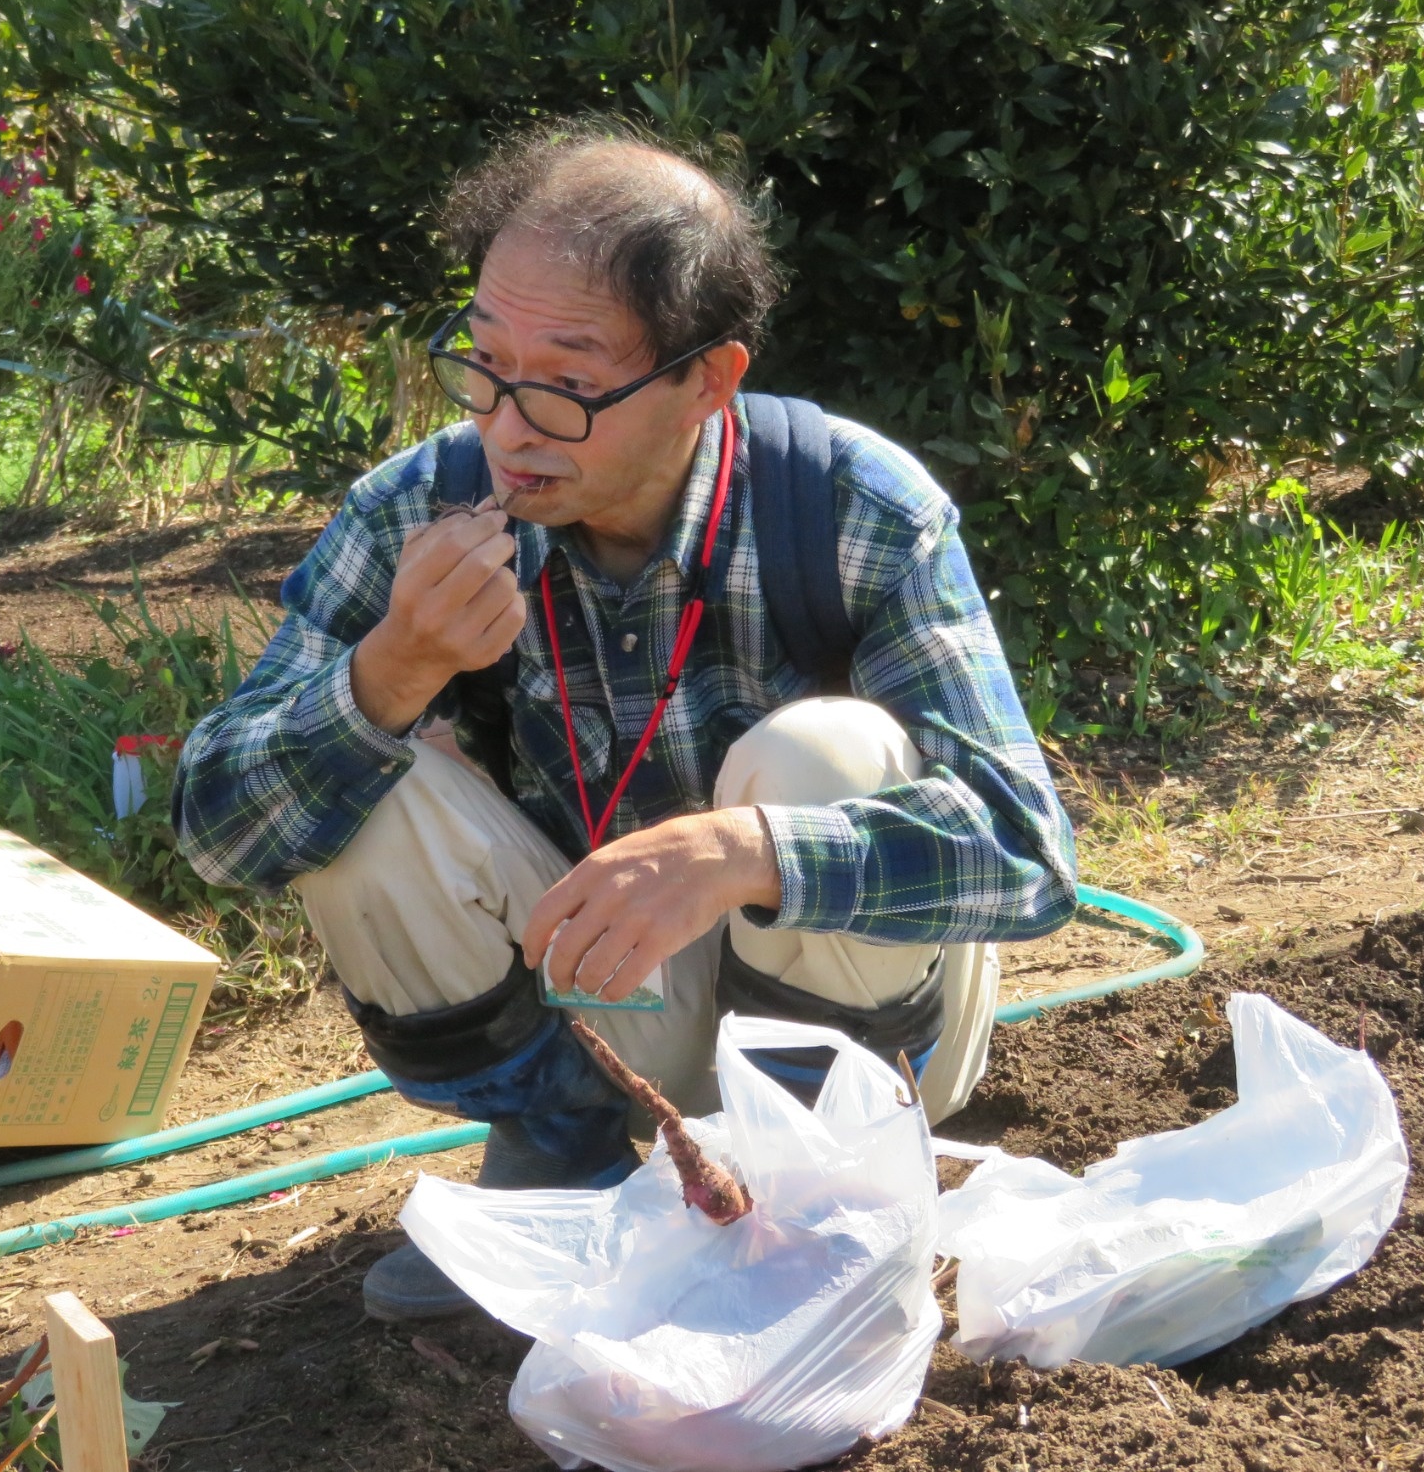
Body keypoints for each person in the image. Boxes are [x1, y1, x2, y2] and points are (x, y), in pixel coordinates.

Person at [172, 119, 1078, 1321]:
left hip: (856, 1032)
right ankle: (564, 1163)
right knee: (359, 775)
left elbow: (1025, 855)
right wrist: (391, 672)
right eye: (485, 363)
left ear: (708, 379)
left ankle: (814, 1188)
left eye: (566, 381)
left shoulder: (848, 504)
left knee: (824, 752)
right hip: (600, 1009)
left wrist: (743, 852)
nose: (508, 423)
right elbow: (216, 829)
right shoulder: (420, 510)